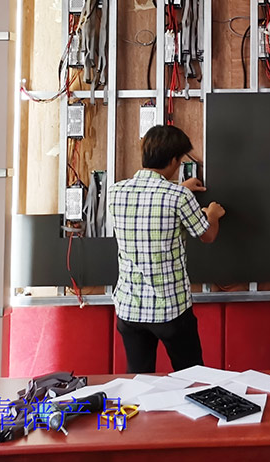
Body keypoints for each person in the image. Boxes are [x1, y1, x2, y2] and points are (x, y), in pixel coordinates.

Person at [110, 125, 226, 372]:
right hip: (170, 310)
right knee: (192, 376)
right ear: (174, 160)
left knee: (139, 380)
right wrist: (213, 215)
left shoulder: (116, 192)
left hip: (129, 309)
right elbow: (207, 235)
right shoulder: (178, 197)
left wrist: (180, 188)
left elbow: (149, 203)